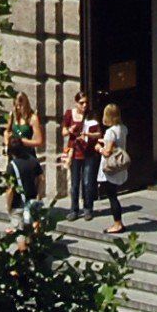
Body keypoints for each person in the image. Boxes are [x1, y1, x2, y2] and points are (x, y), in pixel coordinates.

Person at [3, 89, 43, 217]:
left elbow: (39, 141)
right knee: (12, 181)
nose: (18, 108)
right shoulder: (13, 115)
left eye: (21, 105)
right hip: (14, 154)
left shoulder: (32, 118)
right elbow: (7, 131)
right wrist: (6, 142)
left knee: (28, 182)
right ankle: (15, 207)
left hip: (27, 155)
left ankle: (31, 208)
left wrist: (23, 141)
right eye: (16, 105)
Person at [62, 87, 98, 220]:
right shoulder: (69, 114)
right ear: (76, 103)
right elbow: (63, 132)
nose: (85, 105)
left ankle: (88, 208)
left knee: (88, 181)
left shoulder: (90, 114)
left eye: (86, 102)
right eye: (82, 103)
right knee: (75, 182)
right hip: (75, 151)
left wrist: (88, 134)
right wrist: (70, 130)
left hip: (88, 152)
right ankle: (74, 209)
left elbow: (98, 132)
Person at [94, 106, 131, 227]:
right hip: (119, 165)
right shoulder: (123, 128)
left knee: (112, 196)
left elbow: (107, 152)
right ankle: (117, 222)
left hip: (111, 167)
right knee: (113, 194)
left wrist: (99, 148)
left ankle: (117, 223)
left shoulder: (110, 132)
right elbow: (116, 143)